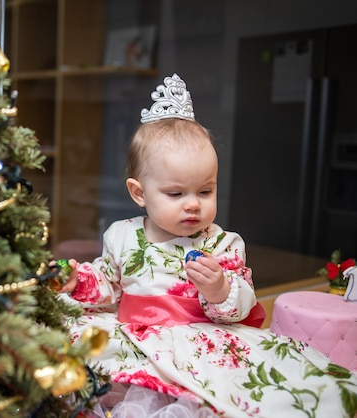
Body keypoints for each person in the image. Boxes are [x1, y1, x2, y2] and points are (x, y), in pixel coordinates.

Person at [57, 74, 357, 417]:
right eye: (175, 193)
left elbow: (242, 305)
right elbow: (108, 282)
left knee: (240, 394)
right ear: (138, 193)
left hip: (197, 342)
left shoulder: (221, 243)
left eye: (205, 191)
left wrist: (219, 289)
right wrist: (79, 280)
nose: (193, 204)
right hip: (134, 337)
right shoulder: (121, 235)